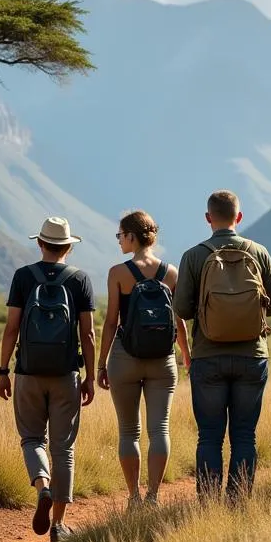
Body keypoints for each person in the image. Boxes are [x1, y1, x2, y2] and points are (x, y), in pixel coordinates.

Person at [173, 190, 271, 499]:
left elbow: (181, 309)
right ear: (239, 217)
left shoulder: (194, 256)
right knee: (244, 436)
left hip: (208, 356)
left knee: (209, 436)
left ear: (209, 218)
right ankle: (237, 502)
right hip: (252, 356)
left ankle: (208, 504)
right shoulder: (258, 252)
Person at [0, 216, 96, 542]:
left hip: (27, 372)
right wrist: (91, 377)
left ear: (40, 244)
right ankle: (58, 524)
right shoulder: (80, 280)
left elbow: (11, 329)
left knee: (31, 439)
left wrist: (3, 370)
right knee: (63, 448)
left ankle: (42, 486)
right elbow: (89, 334)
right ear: (68, 247)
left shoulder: (23, 277)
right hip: (66, 373)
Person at [97, 210, 191, 507]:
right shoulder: (171, 273)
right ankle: (152, 497)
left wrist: (101, 364)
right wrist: (187, 358)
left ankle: (134, 497)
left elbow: (111, 322)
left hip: (125, 357)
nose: (119, 241)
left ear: (132, 237)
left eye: (120, 235)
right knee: (159, 429)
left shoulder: (118, 273)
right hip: (163, 360)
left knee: (128, 432)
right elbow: (180, 323)